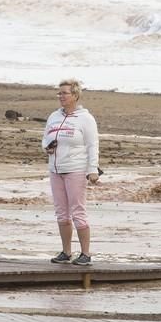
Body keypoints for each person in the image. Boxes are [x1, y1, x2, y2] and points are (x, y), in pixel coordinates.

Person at [41, 79, 99, 266]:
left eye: (64, 93)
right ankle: (66, 252)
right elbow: (45, 139)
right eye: (59, 93)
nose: (61, 96)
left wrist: (92, 170)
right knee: (61, 213)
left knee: (78, 211)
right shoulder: (54, 116)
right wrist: (47, 148)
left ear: (75, 96)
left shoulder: (86, 119)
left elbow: (92, 145)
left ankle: (86, 254)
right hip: (55, 169)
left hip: (76, 169)